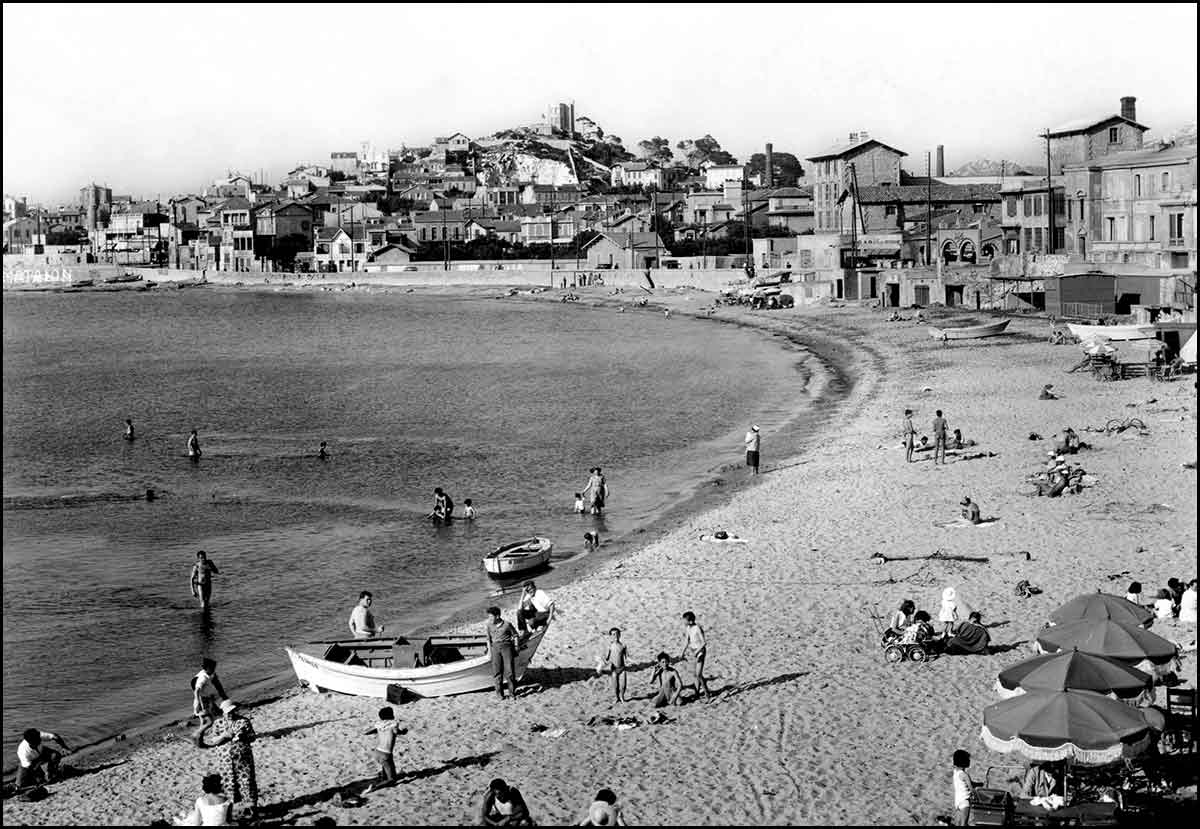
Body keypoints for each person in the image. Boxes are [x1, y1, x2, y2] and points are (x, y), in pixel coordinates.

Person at [204, 703, 258, 819]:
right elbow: (212, 741)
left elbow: (253, 737)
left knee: (247, 782)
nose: (230, 714)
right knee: (229, 784)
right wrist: (224, 736)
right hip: (225, 760)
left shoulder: (244, 721)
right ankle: (233, 811)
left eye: (232, 711)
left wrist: (244, 736)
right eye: (228, 712)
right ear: (223, 712)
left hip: (243, 759)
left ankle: (251, 809)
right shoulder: (218, 723)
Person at [362, 706, 405, 793]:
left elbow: (366, 732)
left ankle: (384, 777)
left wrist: (378, 730)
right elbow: (396, 732)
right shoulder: (394, 724)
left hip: (377, 752)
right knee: (392, 779)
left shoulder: (379, 724)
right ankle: (374, 788)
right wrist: (403, 731)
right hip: (386, 754)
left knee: (385, 766)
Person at [486, 606, 519, 701]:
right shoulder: (489, 625)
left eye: (491, 617)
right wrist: (489, 652)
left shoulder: (507, 625)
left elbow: (515, 635)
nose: (489, 619)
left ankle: (512, 694)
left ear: (497, 616)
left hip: (507, 648)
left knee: (509, 671)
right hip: (495, 649)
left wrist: (516, 647)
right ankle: (499, 694)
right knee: (497, 672)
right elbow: (488, 639)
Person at [680, 611, 710, 702]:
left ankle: (707, 693)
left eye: (685, 620)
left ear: (690, 621)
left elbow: (704, 643)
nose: (683, 622)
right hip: (693, 651)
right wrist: (682, 652)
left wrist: (696, 652)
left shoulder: (697, 628)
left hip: (700, 651)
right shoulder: (688, 628)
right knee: (695, 675)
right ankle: (697, 693)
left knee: (699, 675)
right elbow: (687, 641)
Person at [599, 627, 628, 703]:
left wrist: (632, 660)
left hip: (622, 668)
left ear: (619, 635)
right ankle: (617, 698)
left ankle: (622, 697)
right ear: (611, 636)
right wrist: (602, 661)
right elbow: (607, 658)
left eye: (616, 634)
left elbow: (627, 657)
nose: (615, 636)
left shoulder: (623, 646)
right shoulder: (610, 646)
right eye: (613, 634)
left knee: (623, 685)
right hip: (614, 669)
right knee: (615, 686)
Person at [952, 749, 975, 826]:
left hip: (957, 801)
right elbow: (971, 788)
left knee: (958, 823)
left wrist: (979, 784)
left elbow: (964, 784)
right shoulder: (965, 775)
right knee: (964, 823)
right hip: (965, 801)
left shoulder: (956, 772)